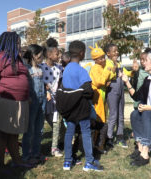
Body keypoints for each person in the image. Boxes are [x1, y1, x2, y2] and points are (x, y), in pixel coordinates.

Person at [56, 40, 103, 171]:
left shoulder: (66, 70)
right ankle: (89, 162)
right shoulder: (82, 71)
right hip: (82, 109)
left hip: (69, 109)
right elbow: (88, 92)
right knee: (86, 132)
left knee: (69, 133)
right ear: (82, 53)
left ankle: (67, 161)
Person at [0, 32, 31, 169]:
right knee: (2, 134)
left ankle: (17, 161)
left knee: (14, 134)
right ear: (9, 43)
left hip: (20, 102)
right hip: (5, 101)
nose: (20, 45)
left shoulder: (18, 59)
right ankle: (0, 166)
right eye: (17, 42)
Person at [122, 51, 151, 166]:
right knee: (135, 114)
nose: (143, 63)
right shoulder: (147, 80)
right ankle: (139, 147)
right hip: (149, 114)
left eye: (146, 61)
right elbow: (137, 97)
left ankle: (145, 151)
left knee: (147, 113)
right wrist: (127, 82)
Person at [22, 44, 46, 164]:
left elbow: (43, 86)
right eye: (40, 55)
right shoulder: (27, 69)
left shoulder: (41, 69)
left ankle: (36, 153)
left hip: (41, 102)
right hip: (32, 103)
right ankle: (26, 154)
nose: (42, 57)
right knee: (29, 129)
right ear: (34, 55)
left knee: (39, 129)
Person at [104, 44, 131, 148]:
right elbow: (108, 75)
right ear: (108, 54)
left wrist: (132, 72)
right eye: (114, 51)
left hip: (120, 92)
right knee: (113, 115)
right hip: (112, 91)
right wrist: (114, 66)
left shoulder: (119, 63)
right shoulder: (107, 63)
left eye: (117, 51)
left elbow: (126, 73)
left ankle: (120, 137)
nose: (116, 53)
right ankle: (109, 138)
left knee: (121, 115)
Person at [89, 44, 113, 154]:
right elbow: (100, 81)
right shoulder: (95, 68)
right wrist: (108, 72)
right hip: (97, 97)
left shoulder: (100, 67)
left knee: (101, 120)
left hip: (100, 98)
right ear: (95, 59)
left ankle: (97, 144)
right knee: (100, 121)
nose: (103, 60)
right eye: (101, 58)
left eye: (103, 57)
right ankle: (97, 145)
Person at [40, 38, 63, 157]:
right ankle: (35, 148)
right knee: (39, 124)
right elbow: (39, 82)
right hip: (43, 100)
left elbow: (59, 83)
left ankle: (54, 148)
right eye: (56, 53)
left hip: (55, 101)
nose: (58, 55)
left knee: (56, 124)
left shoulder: (59, 69)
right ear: (49, 55)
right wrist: (46, 91)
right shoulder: (41, 67)